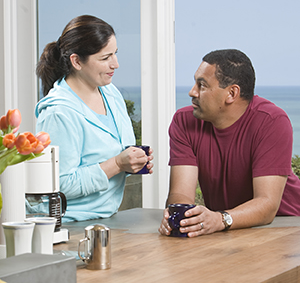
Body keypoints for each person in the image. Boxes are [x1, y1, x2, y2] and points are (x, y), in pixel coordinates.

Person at [159, 49, 300, 237]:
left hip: (286, 226)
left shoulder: (271, 121)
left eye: (202, 85)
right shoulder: (184, 121)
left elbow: (267, 204)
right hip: (227, 228)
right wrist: (179, 218)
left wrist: (219, 219)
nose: (192, 92)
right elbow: (181, 194)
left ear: (231, 93)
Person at [35, 15, 153, 222]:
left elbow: (109, 157)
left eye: (115, 54)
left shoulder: (110, 93)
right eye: (105, 58)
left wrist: (131, 163)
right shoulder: (58, 113)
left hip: (105, 219)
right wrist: (117, 164)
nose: (115, 64)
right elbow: (59, 184)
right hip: (68, 225)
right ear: (77, 61)